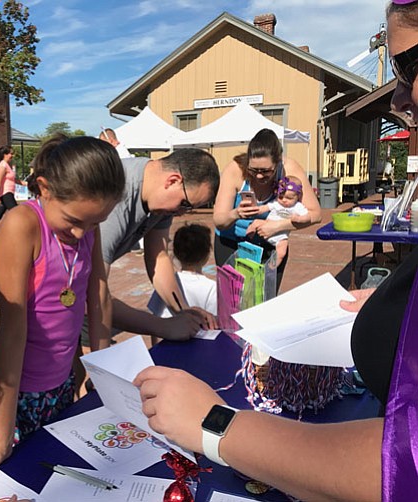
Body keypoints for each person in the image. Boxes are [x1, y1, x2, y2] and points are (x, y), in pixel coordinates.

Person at [134, 5, 418, 498]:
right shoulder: (234, 172)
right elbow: (219, 220)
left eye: (408, 69)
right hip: (236, 260)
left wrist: (214, 424)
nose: (397, 96)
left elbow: (402, 463)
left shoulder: (294, 171)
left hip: (268, 262)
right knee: (240, 334)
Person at [0, 135, 126, 478]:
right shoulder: (22, 225)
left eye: (95, 223)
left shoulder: (86, 228)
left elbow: (97, 298)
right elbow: (12, 331)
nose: (83, 233)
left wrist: (99, 373)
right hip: (13, 395)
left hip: (59, 386)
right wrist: (1, 440)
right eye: (74, 220)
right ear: (45, 189)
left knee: (58, 479)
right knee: (13, 480)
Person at [99, 149, 220, 340]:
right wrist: (161, 326)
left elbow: (158, 255)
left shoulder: (159, 198)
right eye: (185, 204)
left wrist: (182, 311)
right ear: (173, 181)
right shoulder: (117, 194)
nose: (181, 213)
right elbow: (93, 293)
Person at [212, 128, 321, 289]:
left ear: (278, 162)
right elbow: (219, 220)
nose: (259, 176)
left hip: (271, 244)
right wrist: (236, 214)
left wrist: (276, 226)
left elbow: (316, 214)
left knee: (265, 300)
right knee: (235, 301)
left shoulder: (290, 170)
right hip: (231, 244)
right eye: (253, 170)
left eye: (266, 171)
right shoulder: (235, 170)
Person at [147, 223, 217, 317]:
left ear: (175, 252)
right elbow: (213, 320)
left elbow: (154, 312)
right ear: (207, 255)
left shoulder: (165, 283)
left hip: (164, 330)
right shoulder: (212, 288)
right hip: (194, 331)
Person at [255, 175, 310, 267]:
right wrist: (256, 209)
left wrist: (299, 219)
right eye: (281, 197)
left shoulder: (297, 207)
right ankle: (249, 235)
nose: (284, 200)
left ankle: (271, 267)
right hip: (267, 225)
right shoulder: (276, 203)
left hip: (281, 236)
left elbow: (308, 217)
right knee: (256, 222)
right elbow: (264, 208)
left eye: (289, 198)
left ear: (298, 196)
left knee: (281, 252)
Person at [0, 145, 27, 234]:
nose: (12, 155)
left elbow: (14, 180)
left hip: (7, 194)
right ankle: (20, 233)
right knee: (17, 213)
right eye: (11, 154)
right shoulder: (2, 166)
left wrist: (27, 184)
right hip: (6, 194)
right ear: (5, 154)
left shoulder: (7, 165)